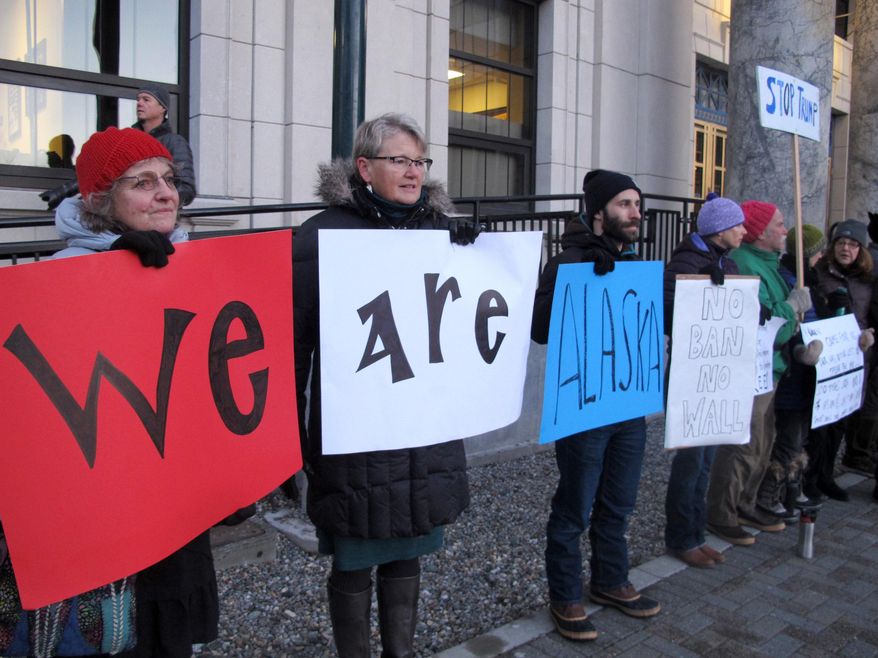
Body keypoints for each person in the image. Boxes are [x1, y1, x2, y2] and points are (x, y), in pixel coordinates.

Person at [293, 113, 479, 657]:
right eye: (399, 160)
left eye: (419, 162)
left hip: (423, 428)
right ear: (364, 166)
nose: (413, 171)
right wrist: (289, 434)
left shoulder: (438, 233)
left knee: (408, 549)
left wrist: (469, 251)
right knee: (353, 553)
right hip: (357, 431)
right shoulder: (321, 235)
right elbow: (295, 342)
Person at [53, 127, 218, 658]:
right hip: (100, 517)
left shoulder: (196, 269)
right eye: (142, 182)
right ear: (101, 200)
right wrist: (111, 280)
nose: (166, 193)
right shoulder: (56, 282)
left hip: (177, 508)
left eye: (168, 179)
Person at [531, 169, 661, 643]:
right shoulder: (567, 260)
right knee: (574, 507)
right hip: (586, 410)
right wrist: (579, 279)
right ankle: (565, 595)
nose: (635, 213)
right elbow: (540, 328)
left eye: (637, 205)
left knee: (619, 503)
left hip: (627, 407)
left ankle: (610, 580)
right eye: (625, 204)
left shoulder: (633, 262)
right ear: (599, 212)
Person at [705, 200, 811, 545]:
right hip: (751, 371)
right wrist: (791, 307)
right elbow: (767, 325)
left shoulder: (767, 264)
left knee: (762, 441)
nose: (785, 231)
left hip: (771, 370)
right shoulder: (748, 266)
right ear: (762, 232)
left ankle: (745, 503)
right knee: (742, 443)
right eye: (780, 225)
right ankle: (722, 511)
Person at [663, 194, 746, 568]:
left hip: (713, 378)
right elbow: (667, 312)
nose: (744, 231)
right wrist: (700, 290)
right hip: (690, 379)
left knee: (705, 460)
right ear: (720, 230)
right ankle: (682, 537)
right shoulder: (687, 263)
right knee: (691, 462)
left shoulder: (721, 261)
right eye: (738, 225)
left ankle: (695, 533)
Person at [754, 225, 826, 521]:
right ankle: (769, 494)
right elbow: (787, 328)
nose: (823, 256)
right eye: (818, 251)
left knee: (795, 439)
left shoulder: (810, 281)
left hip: (805, 375)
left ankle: (789, 489)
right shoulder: (790, 281)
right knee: (786, 440)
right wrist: (799, 351)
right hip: (791, 376)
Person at [803, 219, 876, 501]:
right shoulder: (820, 274)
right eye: (841, 243)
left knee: (840, 425)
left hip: (855, 362)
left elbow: (869, 317)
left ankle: (826, 476)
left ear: (861, 249)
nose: (846, 248)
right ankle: (809, 479)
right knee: (818, 427)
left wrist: (870, 335)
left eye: (852, 244)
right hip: (825, 361)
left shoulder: (867, 280)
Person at [132, 82, 197, 206]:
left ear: (162, 108)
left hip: (158, 218)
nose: (139, 103)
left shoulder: (175, 143)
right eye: (138, 99)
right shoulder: (130, 141)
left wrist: (156, 200)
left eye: (146, 100)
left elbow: (186, 189)